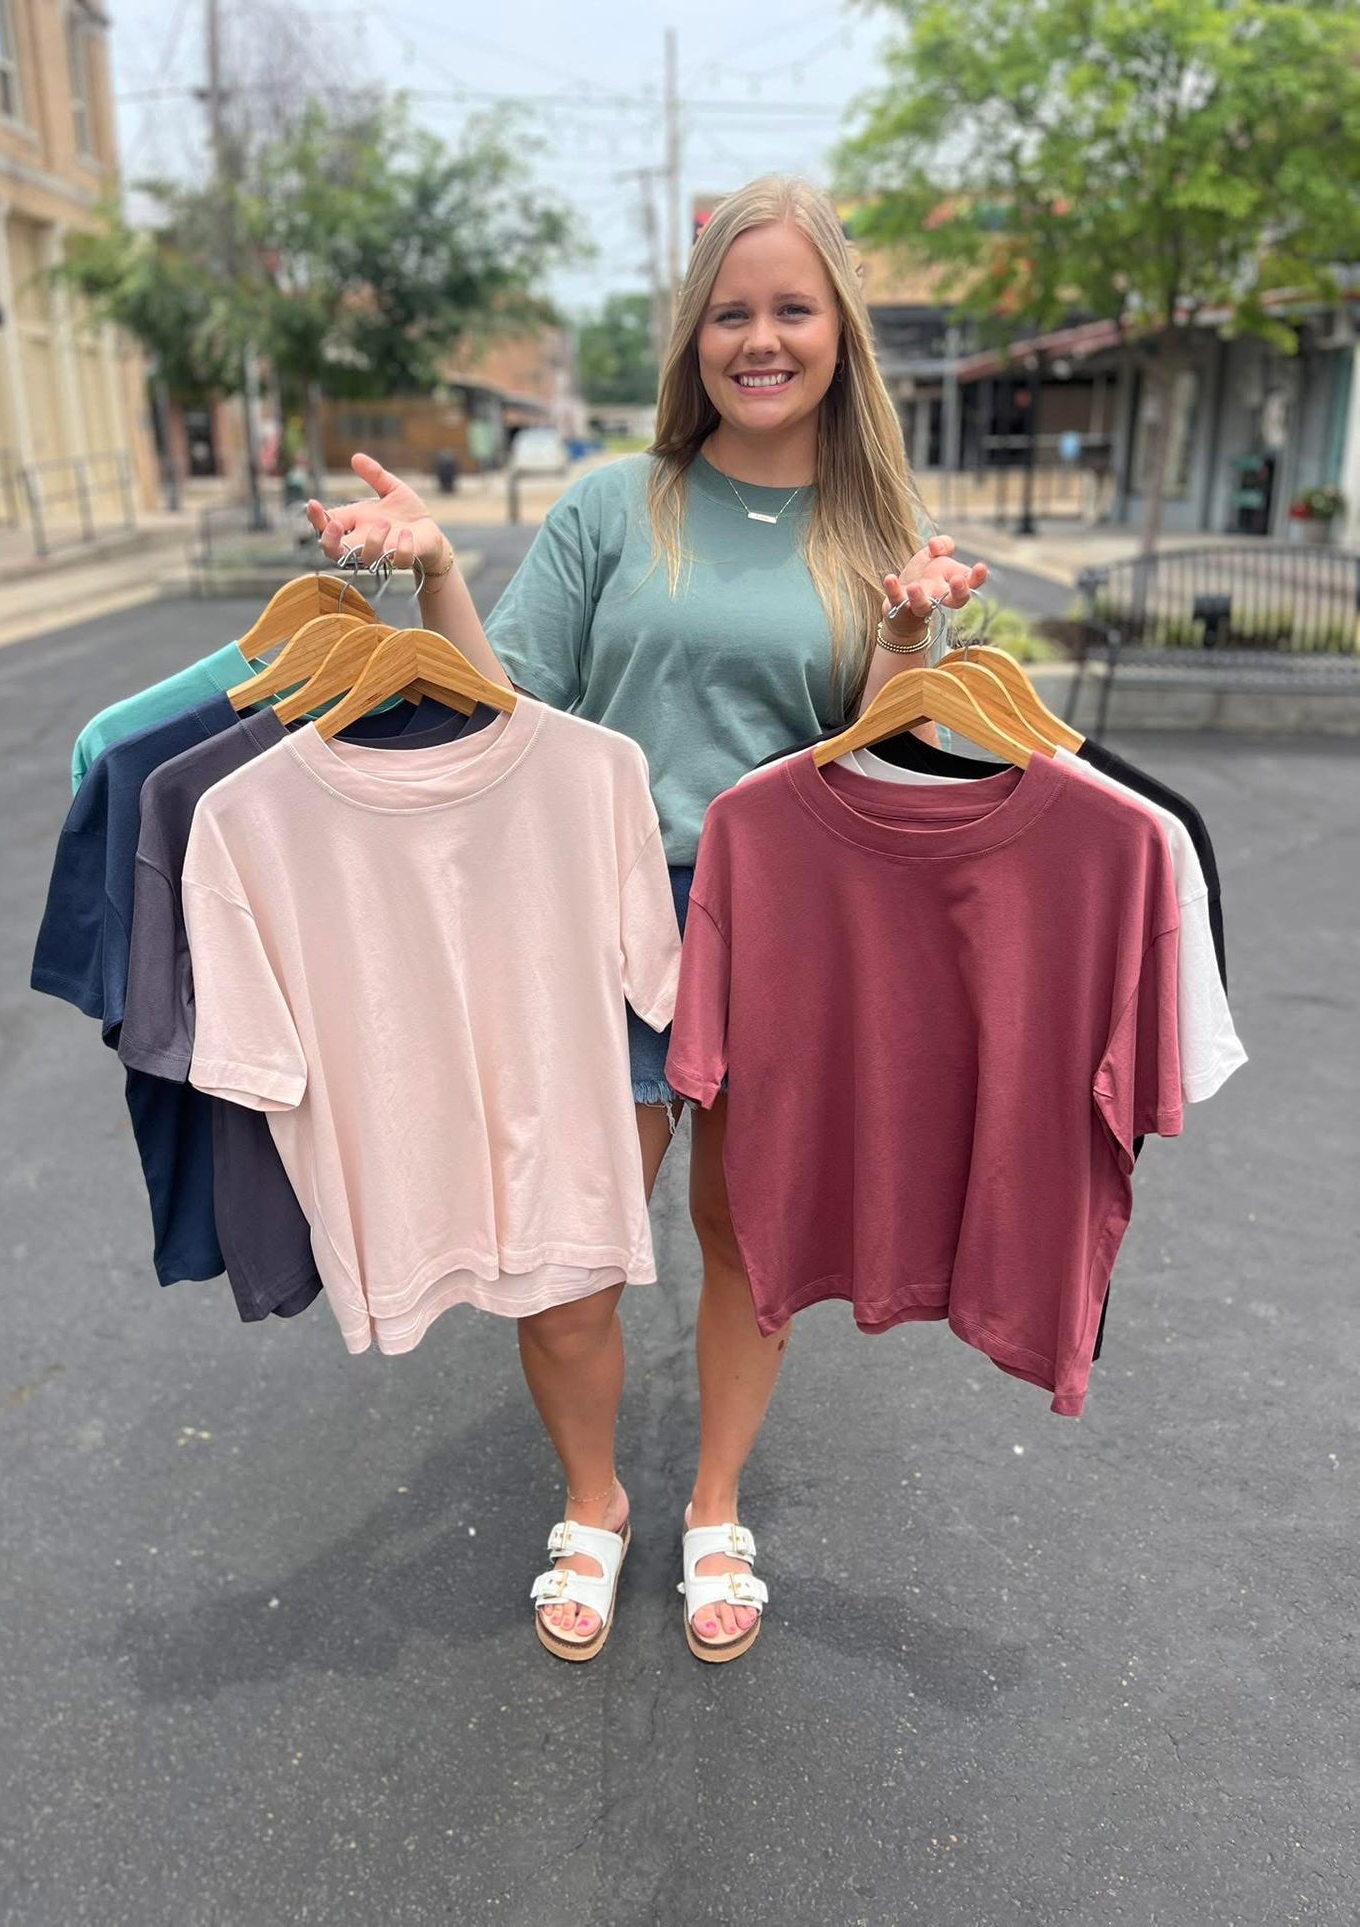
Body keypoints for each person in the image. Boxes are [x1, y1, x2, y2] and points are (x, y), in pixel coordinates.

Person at [305, 174, 987, 1663]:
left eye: (791, 309)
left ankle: (715, 1503)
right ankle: (595, 1499)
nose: (760, 340)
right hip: (591, 910)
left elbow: (875, 766)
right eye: (730, 314)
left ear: (840, 331)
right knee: (562, 1252)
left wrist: (905, 637)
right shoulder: (618, 502)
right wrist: (436, 574)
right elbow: (508, 707)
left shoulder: (883, 529)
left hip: (783, 926)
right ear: (691, 337)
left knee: (748, 1234)